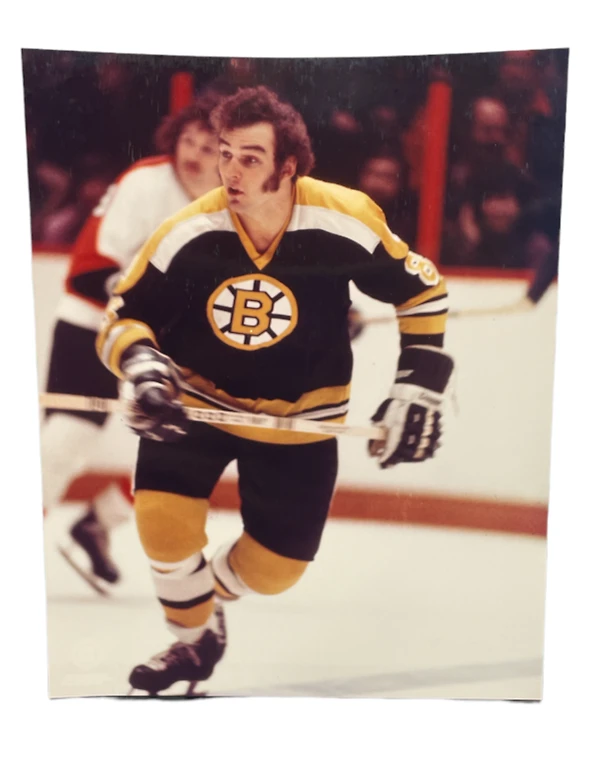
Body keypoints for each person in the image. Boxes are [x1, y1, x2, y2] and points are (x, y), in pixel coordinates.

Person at [95, 86, 454, 695]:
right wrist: (142, 364)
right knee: (162, 526)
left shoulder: (343, 217)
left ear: (288, 167)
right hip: (196, 405)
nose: (229, 171)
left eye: (250, 158)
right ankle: (193, 641)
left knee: (275, 571)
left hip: (302, 418)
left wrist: (418, 384)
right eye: (225, 154)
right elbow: (122, 315)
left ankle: (203, 601)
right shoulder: (188, 230)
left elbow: (421, 291)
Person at [40, 94, 222, 592]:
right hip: (93, 323)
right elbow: (92, 270)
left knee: (186, 447)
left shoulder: (231, 203)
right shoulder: (146, 182)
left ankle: (98, 523)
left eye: (209, 147)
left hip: (164, 339)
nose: (194, 154)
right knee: (67, 439)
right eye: (189, 140)